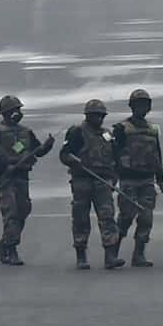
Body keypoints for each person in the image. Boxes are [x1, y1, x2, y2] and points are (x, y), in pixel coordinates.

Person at [0, 95, 54, 266]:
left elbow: (37, 151)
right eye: (15, 110)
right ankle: (11, 249)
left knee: (24, 209)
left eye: (19, 110)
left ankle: (5, 242)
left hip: (22, 176)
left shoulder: (25, 132)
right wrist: (4, 165)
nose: (18, 113)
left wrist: (47, 146)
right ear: (6, 113)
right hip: (6, 177)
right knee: (11, 212)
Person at [59, 99, 125, 270]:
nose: (99, 119)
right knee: (81, 217)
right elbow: (64, 155)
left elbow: (116, 157)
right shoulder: (77, 132)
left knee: (107, 217)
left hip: (103, 181)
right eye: (95, 115)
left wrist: (114, 176)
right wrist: (75, 162)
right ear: (88, 116)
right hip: (82, 181)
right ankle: (81, 254)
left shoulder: (107, 134)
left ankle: (110, 256)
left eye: (101, 116)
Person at [112, 89, 163, 267]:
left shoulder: (153, 129)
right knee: (125, 218)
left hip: (147, 180)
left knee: (146, 218)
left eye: (145, 105)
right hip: (128, 180)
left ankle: (139, 254)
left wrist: (160, 180)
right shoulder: (121, 128)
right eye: (138, 104)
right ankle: (112, 252)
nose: (142, 108)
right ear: (131, 106)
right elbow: (113, 153)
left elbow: (157, 156)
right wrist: (113, 177)